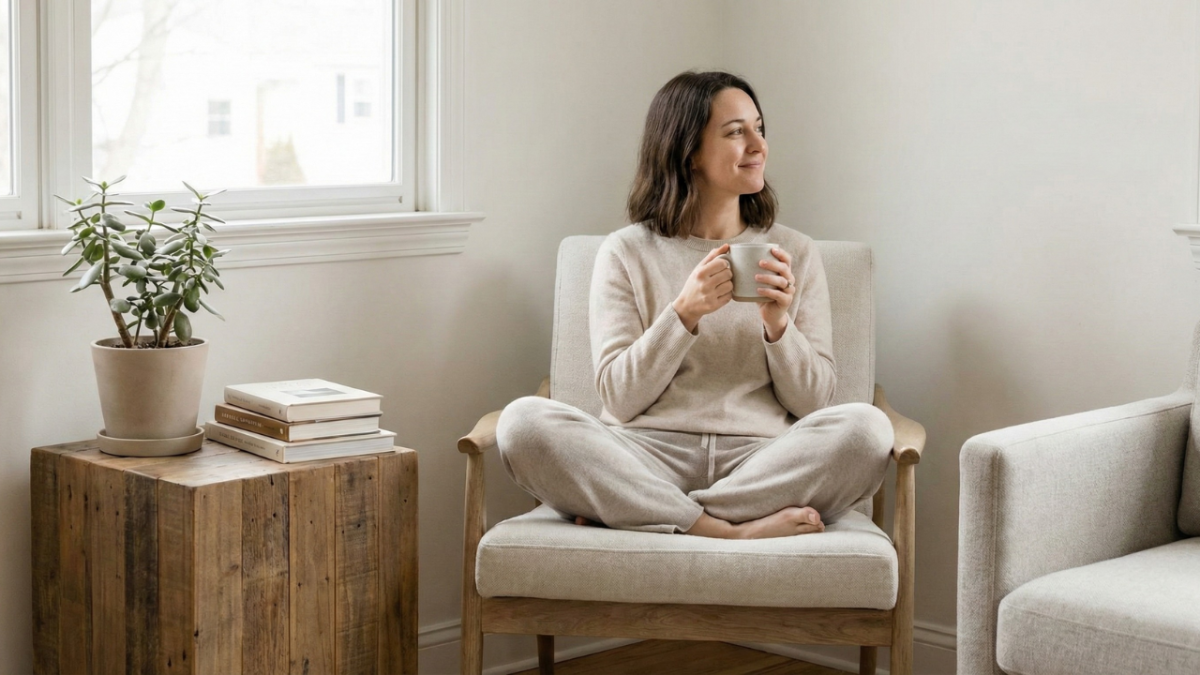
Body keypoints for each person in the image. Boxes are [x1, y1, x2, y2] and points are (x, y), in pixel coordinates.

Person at [496, 71, 893, 539]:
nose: (758, 145)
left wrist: (778, 326)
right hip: (644, 454)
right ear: (688, 153)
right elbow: (619, 400)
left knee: (867, 428)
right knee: (522, 422)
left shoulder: (795, 252)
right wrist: (683, 314)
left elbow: (813, 402)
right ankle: (728, 529)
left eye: (759, 128)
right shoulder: (625, 252)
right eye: (735, 132)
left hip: (760, 460)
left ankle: (646, 512)